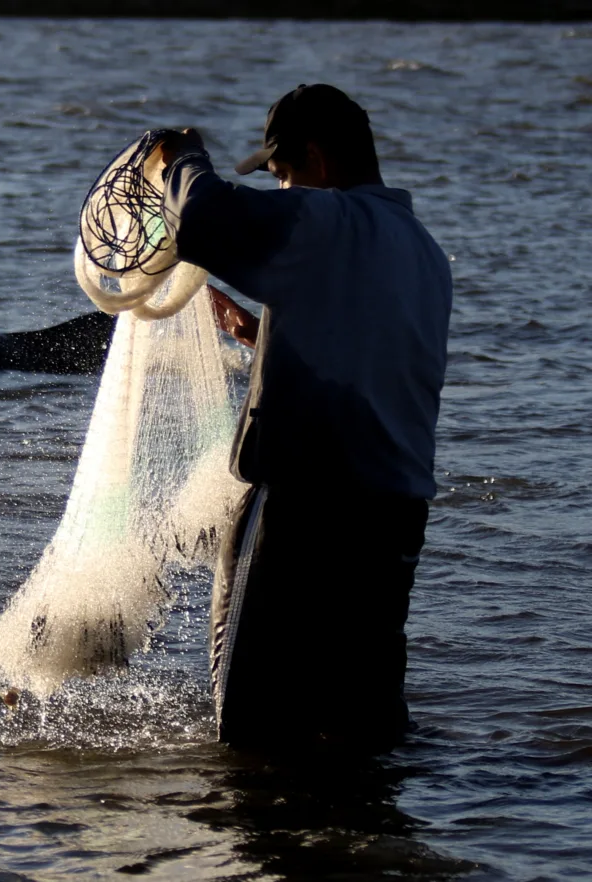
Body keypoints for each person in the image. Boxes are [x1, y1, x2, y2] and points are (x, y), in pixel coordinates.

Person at [158, 84, 453, 752]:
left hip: (305, 514)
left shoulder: (324, 221)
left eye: (285, 175)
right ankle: (359, 846)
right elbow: (368, 347)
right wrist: (259, 333)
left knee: (251, 732)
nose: (284, 190)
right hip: (392, 522)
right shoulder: (424, 252)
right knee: (359, 725)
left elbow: (199, 221)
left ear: (316, 161)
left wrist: (183, 154)